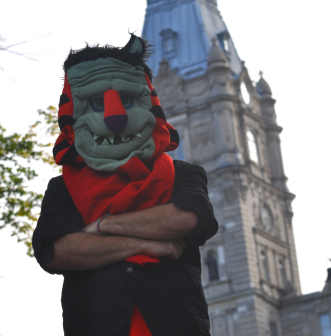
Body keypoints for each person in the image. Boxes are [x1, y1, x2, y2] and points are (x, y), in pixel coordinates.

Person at [33, 34, 218, 336]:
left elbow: (186, 218)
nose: (115, 116)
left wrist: (102, 226)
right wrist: (146, 243)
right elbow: (57, 252)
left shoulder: (182, 173)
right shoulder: (62, 187)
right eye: (95, 103)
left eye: (128, 100)